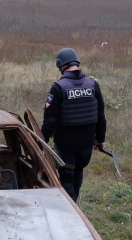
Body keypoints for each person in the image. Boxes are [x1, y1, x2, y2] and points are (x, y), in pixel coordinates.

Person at [41, 47, 107, 202]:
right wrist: (100, 140)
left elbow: (49, 120)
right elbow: (101, 116)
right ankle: (74, 204)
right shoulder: (92, 84)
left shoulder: (58, 87)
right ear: (76, 62)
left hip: (66, 144)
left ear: (61, 65)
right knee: (78, 172)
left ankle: (71, 210)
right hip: (86, 143)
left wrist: (41, 142)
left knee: (67, 177)